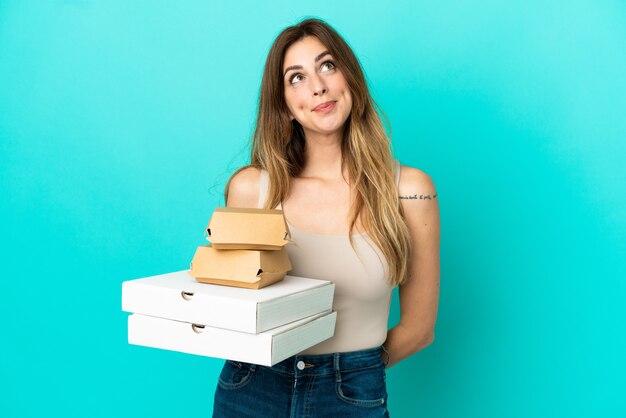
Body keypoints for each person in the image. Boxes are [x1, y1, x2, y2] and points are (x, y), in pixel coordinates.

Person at [213, 17, 440, 418]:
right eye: (296, 77)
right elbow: (232, 305)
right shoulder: (252, 190)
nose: (317, 85)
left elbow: (419, 329)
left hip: (352, 392)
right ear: (285, 106)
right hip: (252, 388)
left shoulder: (410, 190)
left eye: (327, 65)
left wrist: (354, 372)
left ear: (349, 78)